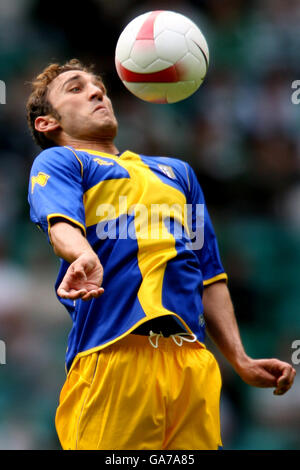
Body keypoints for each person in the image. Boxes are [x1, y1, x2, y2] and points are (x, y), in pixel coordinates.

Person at [27, 59, 295, 451]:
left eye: (98, 85)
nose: (96, 91)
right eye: (75, 88)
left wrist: (239, 358)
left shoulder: (178, 173)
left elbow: (210, 276)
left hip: (192, 363)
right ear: (47, 124)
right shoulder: (63, 161)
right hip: (116, 353)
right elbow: (61, 224)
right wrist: (83, 255)